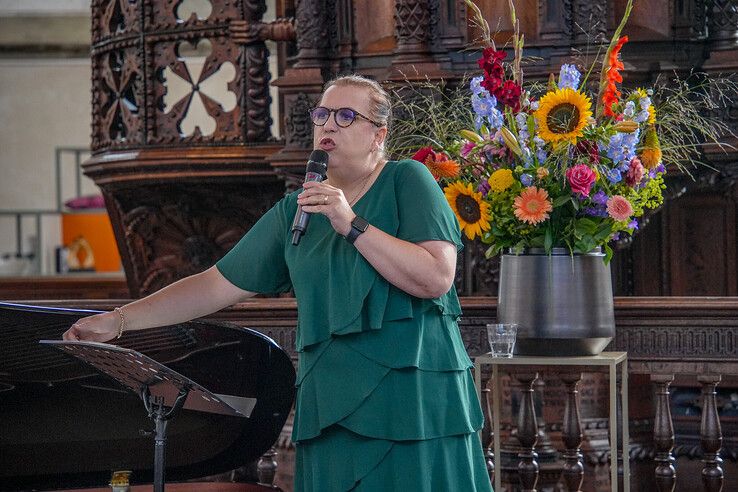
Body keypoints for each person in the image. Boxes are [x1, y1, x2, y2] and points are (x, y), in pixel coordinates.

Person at [64, 74, 493, 492]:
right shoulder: (296, 210)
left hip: (412, 393)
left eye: (346, 116)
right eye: (322, 114)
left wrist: (350, 222)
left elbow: (435, 278)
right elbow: (214, 285)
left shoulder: (406, 181)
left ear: (378, 134)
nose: (328, 124)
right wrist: (119, 321)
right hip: (331, 399)